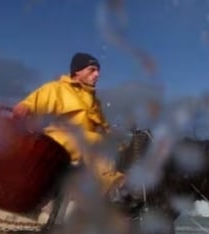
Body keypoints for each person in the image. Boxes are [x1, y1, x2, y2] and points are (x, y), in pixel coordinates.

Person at [12, 52, 137, 205]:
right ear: (77, 71)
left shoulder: (94, 101)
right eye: (92, 70)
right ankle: (115, 187)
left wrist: (120, 141)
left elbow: (103, 128)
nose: (97, 74)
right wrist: (24, 109)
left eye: (98, 71)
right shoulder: (56, 89)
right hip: (56, 141)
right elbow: (30, 104)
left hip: (86, 143)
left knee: (117, 146)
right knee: (94, 141)